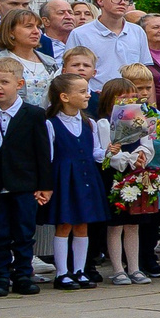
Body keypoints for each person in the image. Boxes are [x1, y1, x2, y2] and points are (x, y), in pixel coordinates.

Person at [44, 73, 104, 288]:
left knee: (82, 225)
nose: (88, 95)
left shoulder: (90, 124)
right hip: (65, 178)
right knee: (65, 224)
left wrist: (109, 152)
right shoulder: (51, 124)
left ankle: (79, 270)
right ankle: (62, 272)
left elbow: (96, 152)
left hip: (86, 176)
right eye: (82, 91)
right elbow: (49, 157)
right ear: (65, 97)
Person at [0, 59, 48, 294]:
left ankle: (23, 275)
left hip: (24, 183)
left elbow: (42, 152)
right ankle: (0, 276)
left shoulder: (33, 114)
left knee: (24, 232)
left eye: (4, 82)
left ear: (19, 84)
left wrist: (45, 184)